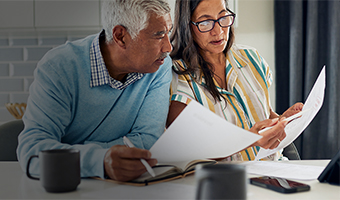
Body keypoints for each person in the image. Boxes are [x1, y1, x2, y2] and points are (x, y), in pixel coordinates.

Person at [17, 0, 173, 182]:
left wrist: (67, 151)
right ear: (121, 36)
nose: (168, 48)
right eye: (159, 35)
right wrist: (101, 161)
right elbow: (32, 152)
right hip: (68, 187)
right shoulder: (59, 68)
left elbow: (148, 143)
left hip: (126, 188)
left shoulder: (158, 67)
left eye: (168, 33)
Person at [167, 0, 303, 161]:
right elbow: (190, 150)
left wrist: (282, 121)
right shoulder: (176, 76)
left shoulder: (251, 58)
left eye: (223, 18)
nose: (218, 31)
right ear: (187, 25)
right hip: (226, 181)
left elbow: (265, 113)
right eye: (205, 22)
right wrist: (249, 139)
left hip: (275, 171)